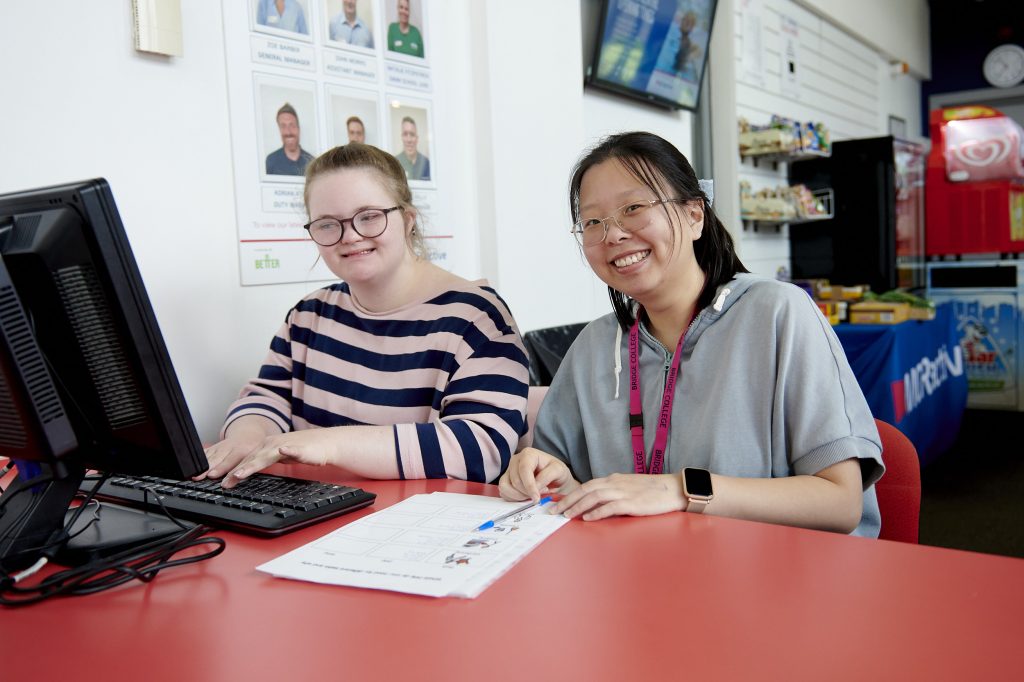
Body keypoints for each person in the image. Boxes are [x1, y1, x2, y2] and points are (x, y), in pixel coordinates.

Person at [499, 132, 885, 537]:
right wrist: (554, 479)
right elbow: (573, 482)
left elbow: (841, 502)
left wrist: (680, 490)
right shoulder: (594, 348)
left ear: (694, 215)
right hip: (635, 578)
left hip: (775, 580)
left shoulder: (777, 314)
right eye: (593, 221)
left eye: (633, 207)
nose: (612, 234)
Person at [201, 143, 529, 487]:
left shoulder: (476, 317)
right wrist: (246, 437)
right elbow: (265, 398)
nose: (350, 235)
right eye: (328, 224)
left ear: (407, 219)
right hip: (315, 513)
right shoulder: (308, 315)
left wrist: (331, 444)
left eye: (369, 216)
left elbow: (481, 450)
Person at [265, 103, 314, 176]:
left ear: (298, 128)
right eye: (283, 126)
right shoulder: (271, 161)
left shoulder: (312, 162)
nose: (288, 132)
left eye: (292, 125)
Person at [396, 116, 430, 181]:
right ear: (401, 137)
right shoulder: (395, 163)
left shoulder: (426, 163)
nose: (409, 140)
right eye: (405, 134)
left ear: (417, 138)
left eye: (412, 134)